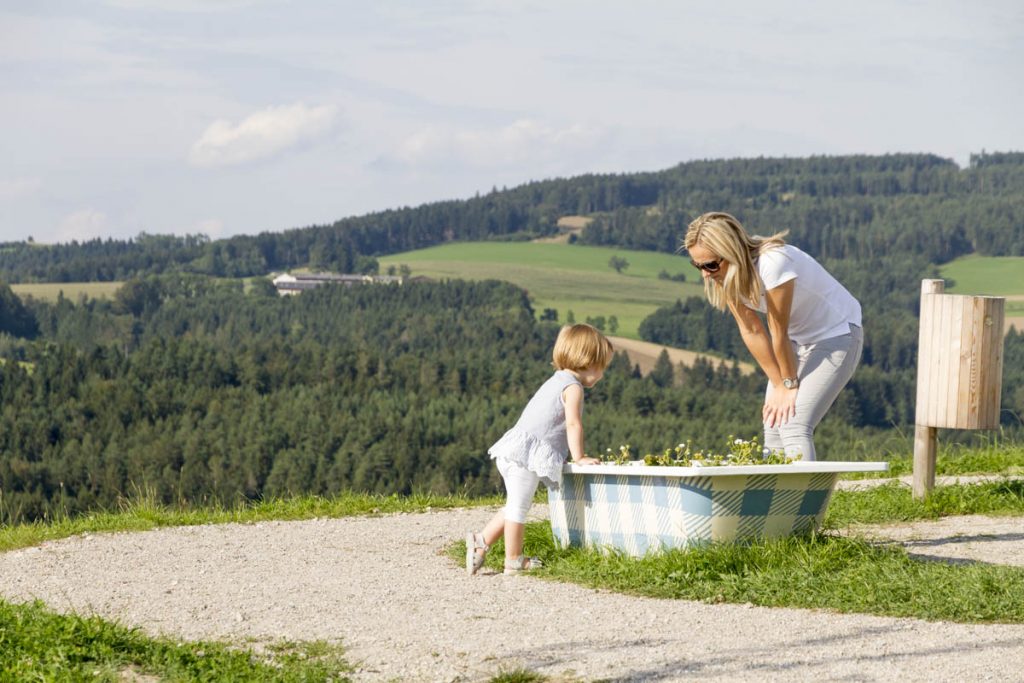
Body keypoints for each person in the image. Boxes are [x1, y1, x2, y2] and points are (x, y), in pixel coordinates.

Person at [683, 211, 862, 462]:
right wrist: (778, 383)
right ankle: (774, 501)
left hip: (836, 334)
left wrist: (787, 384)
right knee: (773, 426)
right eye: (698, 266)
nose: (705, 274)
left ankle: (801, 500)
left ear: (731, 251)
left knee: (793, 424)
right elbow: (751, 330)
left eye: (710, 264)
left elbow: (778, 329)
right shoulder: (724, 274)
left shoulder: (773, 262)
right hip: (798, 341)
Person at [466, 323, 614, 576]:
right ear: (587, 361)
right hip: (525, 456)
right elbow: (573, 423)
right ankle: (513, 559)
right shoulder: (573, 388)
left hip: (516, 450)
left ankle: (481, 542)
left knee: (514, 503)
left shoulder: (557, 379)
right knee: (519, 508)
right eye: (601, 367)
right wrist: (579, 457)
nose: (602, 374)